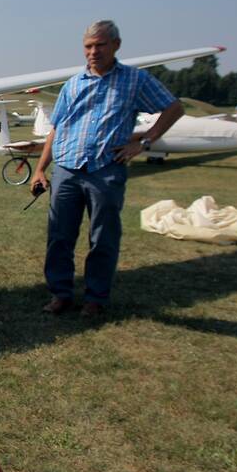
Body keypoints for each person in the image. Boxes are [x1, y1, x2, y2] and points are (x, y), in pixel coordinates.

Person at [29, 20, 183, 318]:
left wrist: (145, 142)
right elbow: (56, 129)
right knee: (59, 236)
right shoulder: (73, 84)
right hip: (67, 169)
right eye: (88, 46)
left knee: (103, 237)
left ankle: (95, 298)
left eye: (100, 45)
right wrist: (39, 170)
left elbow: (174, 108)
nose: (93, 52)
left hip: (105, 170)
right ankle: (60, 294)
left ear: (116, 45)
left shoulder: (135, 80)